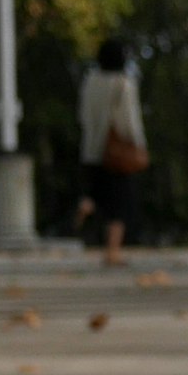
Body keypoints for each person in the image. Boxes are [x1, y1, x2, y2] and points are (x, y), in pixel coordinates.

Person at [77, 37, 146, 266]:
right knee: (120, 201)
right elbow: (130, 121)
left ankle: (85, 206)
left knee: (97, 190)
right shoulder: (123, 83)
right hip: (116, 151)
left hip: (92, 148)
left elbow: (84, 115)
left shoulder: (90, 82)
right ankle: (112, 251)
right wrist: (138, 145)